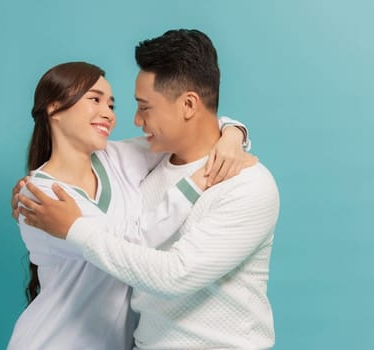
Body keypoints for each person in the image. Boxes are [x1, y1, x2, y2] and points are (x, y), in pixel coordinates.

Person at [17, 29, 280, 349]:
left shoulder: (245, 184)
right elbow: (126, 243)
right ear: (54, 108)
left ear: (187, 104)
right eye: (95, 100)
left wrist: (233, 132)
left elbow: (173, 274)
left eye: (144, 106)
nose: (134, 120)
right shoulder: (140, 169)